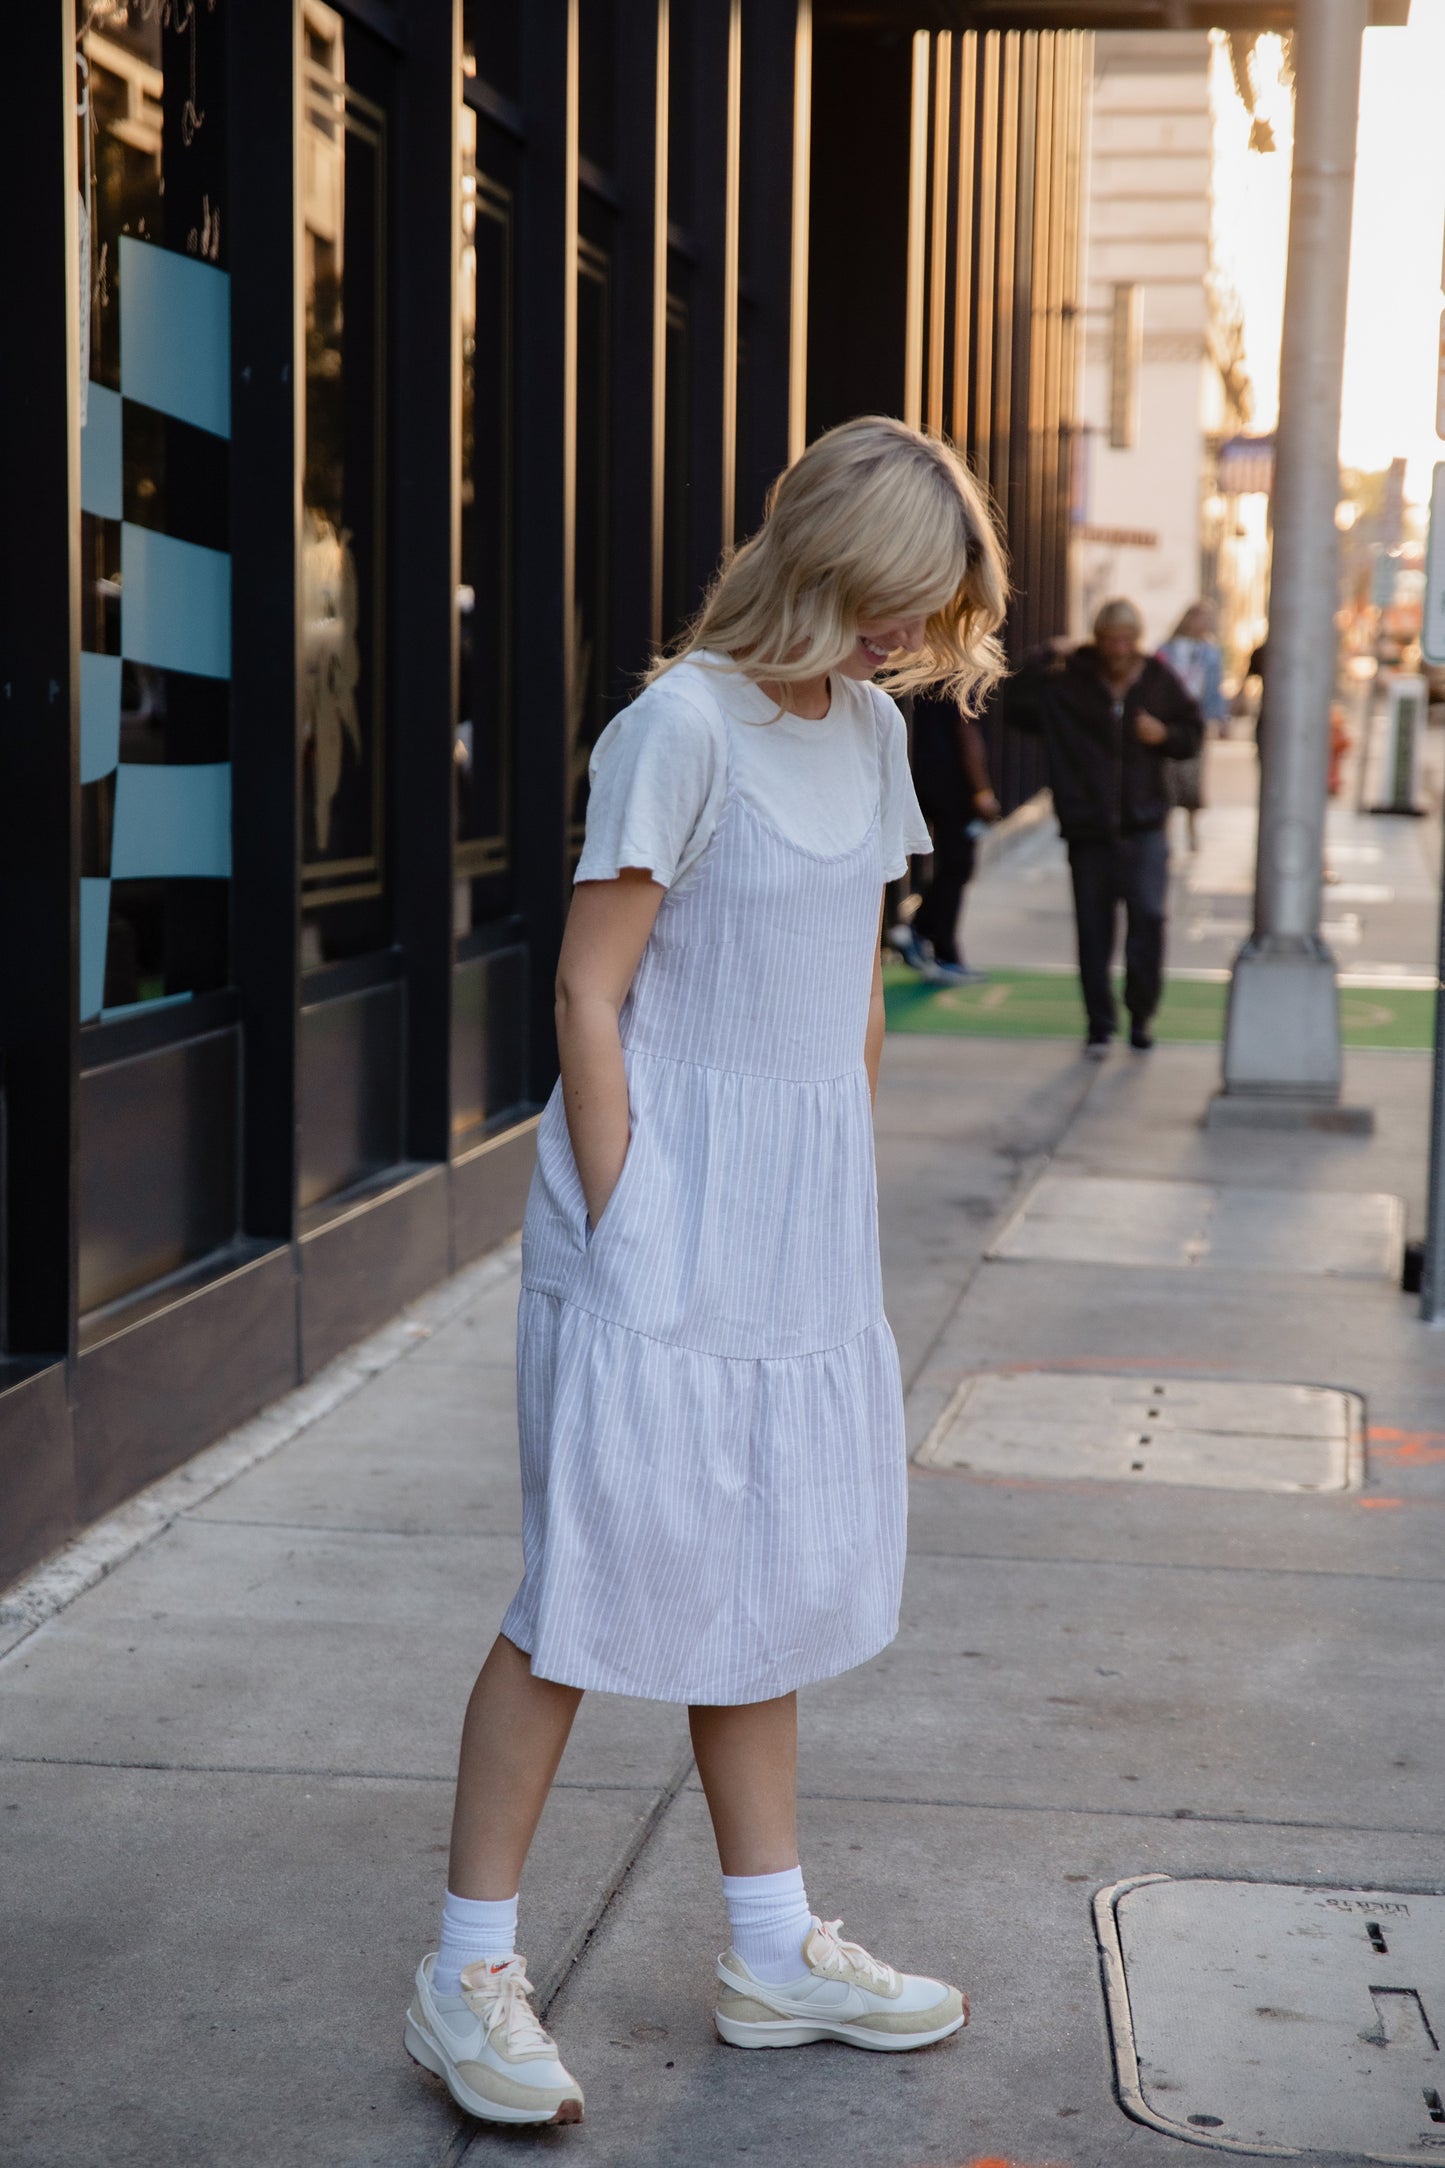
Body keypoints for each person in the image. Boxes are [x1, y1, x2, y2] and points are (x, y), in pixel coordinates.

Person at [404, 416, 1009, 2128]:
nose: (907, 633)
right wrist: (629, 1210)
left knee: (770, 1568)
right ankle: (464, 1969)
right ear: (815, 561)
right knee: (588, 1581)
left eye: (930, 606)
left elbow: (855, 980)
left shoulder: (875, 730)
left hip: (802, 1208)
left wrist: (851, 1181)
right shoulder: (675, 728)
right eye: (890, 599)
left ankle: (767, 1944)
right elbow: (590, 989)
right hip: (658, 1193)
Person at [1007, 597, 1203, 1058]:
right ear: (1096, 640)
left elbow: (1192, 732)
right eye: (1109, 640)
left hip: (1145, 826)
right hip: (1088, 827)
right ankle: (1099, 1023)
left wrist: (1164, 735)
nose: (1118, 649)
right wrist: (1044, 654)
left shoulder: (1157, 678)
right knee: (1093, 929)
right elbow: (1013, 704)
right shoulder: (1069, 682)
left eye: (1126, 640)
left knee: (1149, 919)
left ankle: (1141, 1015)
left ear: (1138, 641)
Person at [889, 698, 1000, 984]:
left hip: (919, 771)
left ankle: (919, 931)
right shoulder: (961, 669)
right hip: (948, 780)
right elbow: (968, 729)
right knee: (957, 863)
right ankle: (936, 945)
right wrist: (982, 791)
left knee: (945, 861)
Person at [1157, 600, 1227, 852]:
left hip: (1195, 719)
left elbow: (1215, 688)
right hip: (1169, 717)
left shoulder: (1211, 652)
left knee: (1193, 776)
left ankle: (1191, 829)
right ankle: (1166, 830)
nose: (1205, 624)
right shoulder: (1166, 649)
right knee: (1168, 775)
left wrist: (1221, 718)